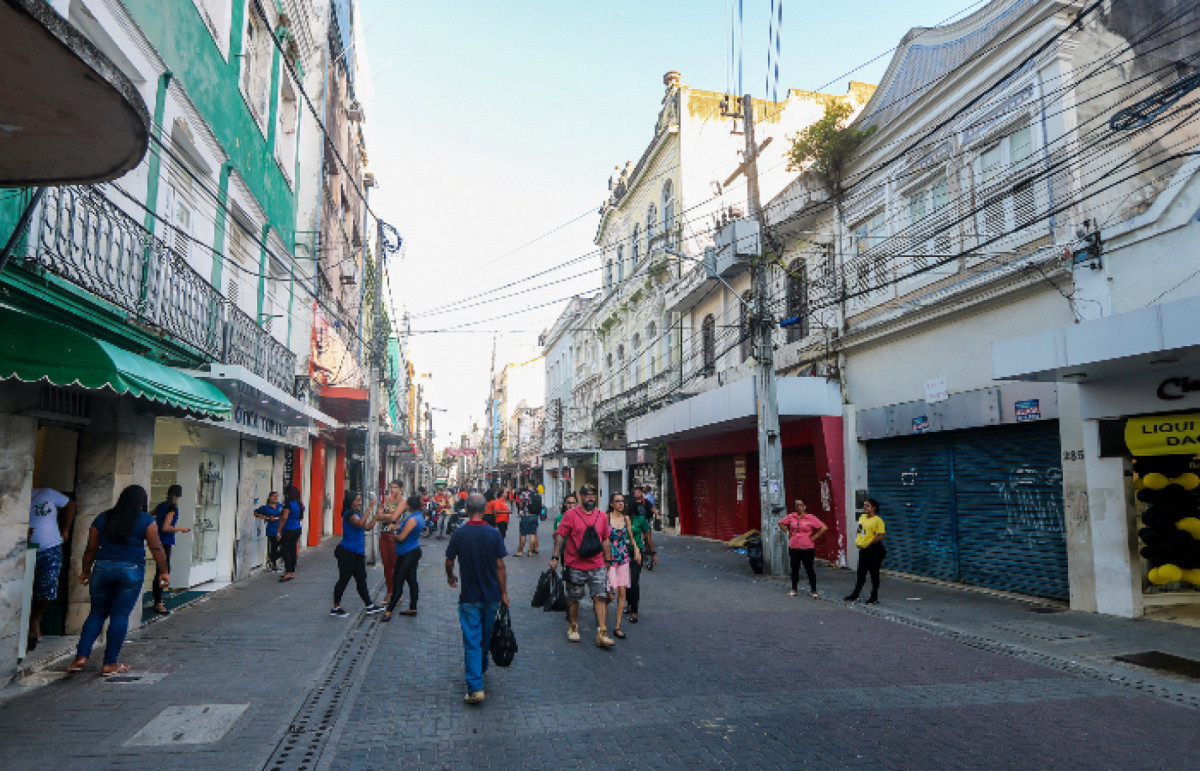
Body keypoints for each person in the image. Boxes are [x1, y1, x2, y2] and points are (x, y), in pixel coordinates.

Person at [67, 485, 169, 676]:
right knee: (120, 615)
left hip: (102, 568)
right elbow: (156, 547)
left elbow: (91, 548)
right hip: (131, 569)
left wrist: (86, 571)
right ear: (141, 501)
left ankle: (81, 656)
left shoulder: (102, 518)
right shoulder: (146, 520)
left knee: (97, 613)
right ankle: (109, 663)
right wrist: (164, 571)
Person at [445, 493, 508, 704]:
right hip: (491, 595)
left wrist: (450, 576)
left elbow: (449, 561)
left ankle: (475, 687)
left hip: (469, 596)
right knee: (485, 637)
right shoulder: (494, 534)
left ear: (466, 509)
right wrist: (504, 593)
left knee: (472, 639)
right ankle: (479, 669)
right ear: (485, 510)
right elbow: (500, 567)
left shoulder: (459, 534)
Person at [550, 484, 615, 648]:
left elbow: (606, 539)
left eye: (593, 495)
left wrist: (608, 560)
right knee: (574, 598)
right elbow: (560, 536)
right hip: (575, 564)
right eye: (587, 495)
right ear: (581, 497)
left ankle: (602, 632)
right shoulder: (570, 515)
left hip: (597, 564)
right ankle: (573, 626)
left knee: (600, 597)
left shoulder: (601, 516)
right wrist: (555, 557)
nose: (590, 498)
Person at [27, 487, 76, 652]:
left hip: (50, 548)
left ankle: (35, 619)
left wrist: (66, 529)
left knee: (47, 587)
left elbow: (70, 504)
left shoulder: (46, 493)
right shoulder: (13, 497)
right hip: (22, 550)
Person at [331, 491, 384, 617]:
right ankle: (335, 607)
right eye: (357, 500)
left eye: (360, 500)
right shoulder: (349, 513)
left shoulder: (357, 514)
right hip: (347, 552)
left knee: (361, 580)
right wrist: (370, 507)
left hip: (358, 553)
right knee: (344, 579)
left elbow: (367, 527)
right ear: (351, 501)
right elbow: (359, 524)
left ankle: (369, 605)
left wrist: (376, 516)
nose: (360, 503)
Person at [605, 492, 640, 640]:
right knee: (610, 593)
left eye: (623, 501)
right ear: (612, 504)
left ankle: (617, 626)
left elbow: (631, 538)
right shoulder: (606, 518)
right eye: (618, 501)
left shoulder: (626, 519)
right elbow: (602, 538)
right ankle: (601, 616)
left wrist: (637, 549)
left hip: (623, 557)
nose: (621, 504)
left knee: (622, 592)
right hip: (609, 558)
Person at [383, 494, 425, 621]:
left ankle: (389, 611)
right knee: (412, 580)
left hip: (407, 552)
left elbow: (401, 538)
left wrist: (393, 534)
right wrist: (398, 528)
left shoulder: (412, 519)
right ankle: (413, 607)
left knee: (398, 580)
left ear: (410, 505)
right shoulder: (418, 517)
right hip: (412, 550)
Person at [152, 485, 191, 615]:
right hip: (165, 541)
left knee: (161, 570)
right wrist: (181, 529)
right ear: (180, 495)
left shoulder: (161, 506)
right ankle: (158, 602)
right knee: (163, 571)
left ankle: (158, 599)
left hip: (157, 540)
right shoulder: (172, 508)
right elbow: (166, 527)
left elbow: (149, 516)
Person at [779, 498, 828, 598]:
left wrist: (815, 537)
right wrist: (788, 532)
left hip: (807, 546)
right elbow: (781, 523)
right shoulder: (791, 517)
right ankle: (794, 589)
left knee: (809, 568)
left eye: (801, 505)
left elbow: (823, 527)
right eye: (796, 505)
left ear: (805, 506)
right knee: (794, 568)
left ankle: (814, 591)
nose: (799, 507)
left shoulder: (810, 518)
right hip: (794, 546)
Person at [845, 497, 886, 604]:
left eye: (868, 505)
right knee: (861, 573)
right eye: (864, 505)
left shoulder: (878, 520)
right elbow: (860, 531)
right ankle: (855, 594)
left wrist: (869, 542)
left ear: (874, 507)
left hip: (874, 550)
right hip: (863, 549)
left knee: (874, 573)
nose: (865, 507)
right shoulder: (862, 517)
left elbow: (881, 535)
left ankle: (874, 597)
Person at [626, 487, 657, 624]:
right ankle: (628, 603)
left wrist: (653, 553)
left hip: (636, 553)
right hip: (621, 553)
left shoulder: (641, 520)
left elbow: (648, 538)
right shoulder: (620, 519)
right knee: (625, 582)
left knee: (634, 581)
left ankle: (634, 610)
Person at [378, 480, 405, 606]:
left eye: (396, 487)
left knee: (395, 565)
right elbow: (378, 516)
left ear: (401, 489)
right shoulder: (388, 500)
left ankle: (397, 592)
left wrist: (385, 515)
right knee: (386, 565)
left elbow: (394, 517)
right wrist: (388, 515)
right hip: (384, 534)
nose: (393, 489)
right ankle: (390, 591)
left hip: (395, 536)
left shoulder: (403, 501)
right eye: (391, 487)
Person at [277, 485, 305, 582]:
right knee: (293, 550)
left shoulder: (288, 505)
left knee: (286, 551)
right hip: (297, 528)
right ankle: (292, 571)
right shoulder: (300, 504)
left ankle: (288, 572)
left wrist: (278, 531)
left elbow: (284, 518)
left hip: (289, 529)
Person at [254, 490, 282, 571]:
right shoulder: (266, 508)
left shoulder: (280, 506)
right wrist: (265, 517)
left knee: (285, 546)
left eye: (276, 496)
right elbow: (255, 513)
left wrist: (279, 518)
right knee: (274, 547)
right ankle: (273, 563)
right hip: (272, 530)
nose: (275, 498)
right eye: (273, 496)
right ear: (269, 497)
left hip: (281, 529)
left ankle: (272, 560)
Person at [516, 481, 542, 558]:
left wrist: (520, 510)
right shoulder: (538, 494)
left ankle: (520, 551)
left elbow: (521, 505)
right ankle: (530, 552)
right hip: (535, 516)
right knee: (532, 534)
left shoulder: (524, 493)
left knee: (523, 534)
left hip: (526, 516)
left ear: (528, 484)